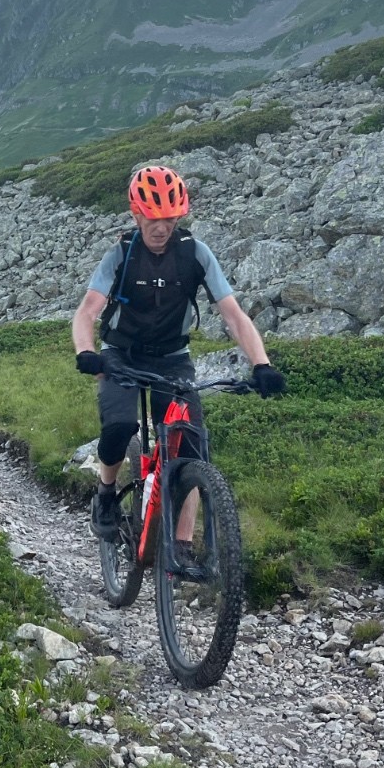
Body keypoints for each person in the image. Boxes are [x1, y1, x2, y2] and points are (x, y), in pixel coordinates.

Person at [70, 165, 286, 558]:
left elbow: (234, 315)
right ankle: (105, 494)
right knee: (118, 426)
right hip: (121, 356)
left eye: (169, 218)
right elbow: (87, 311)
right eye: (153, 219)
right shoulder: (120, 255)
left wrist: (261, 364)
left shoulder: (195, 254)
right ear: (136, 215)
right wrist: (87, 352)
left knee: (190, 448)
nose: (161, 227)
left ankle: (182, 545)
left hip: (173, 359)